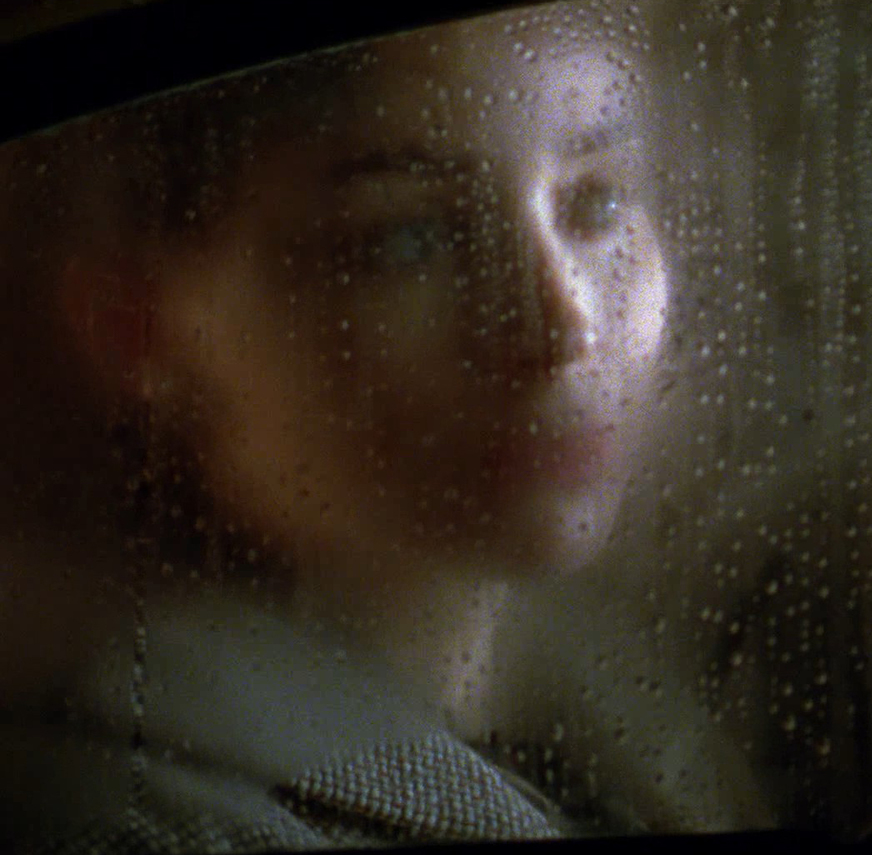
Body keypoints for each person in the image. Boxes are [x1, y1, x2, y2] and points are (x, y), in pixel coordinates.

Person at [0, 2, 753, 849]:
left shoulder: (634, 704)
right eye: (410, 238)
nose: (564, 324)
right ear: (140, 328)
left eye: (597, 202)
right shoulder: (128, 818)